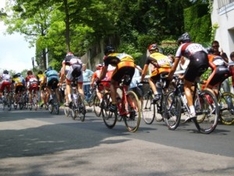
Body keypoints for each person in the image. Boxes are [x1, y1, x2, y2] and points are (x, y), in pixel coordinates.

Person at [168, 32, 209, 121]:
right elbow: (203, 57)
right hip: (205, 62)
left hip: (195, 61)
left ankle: (192, 111)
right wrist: (184, 76)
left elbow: (174, 67)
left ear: (181, 42)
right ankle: (199, 98)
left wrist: (169, 77)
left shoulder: (182, 46)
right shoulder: (198, 45)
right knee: (191, 81)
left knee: (186, 86)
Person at [97, 46, 135, 112]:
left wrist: (99, 80)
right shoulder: (120, 54)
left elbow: (104, 73)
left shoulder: (107, 58)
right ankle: (131, 107)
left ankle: (114, 104)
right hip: (132, 66)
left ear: (106, 53)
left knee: (112, 83)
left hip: (122, 65)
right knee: (125, 87)